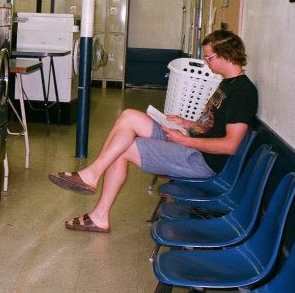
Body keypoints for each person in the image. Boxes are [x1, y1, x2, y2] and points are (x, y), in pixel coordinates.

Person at [48, 29, 258, 233]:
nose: (206, 62)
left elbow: (230, 145)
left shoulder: (242, 92)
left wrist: (185, 141)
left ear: (226, 55)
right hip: (192, 142)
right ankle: (92, 175)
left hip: (201, 160)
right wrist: (185, 124)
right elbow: (210, 126)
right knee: (129, 115)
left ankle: (99, 213)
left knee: (124, 148)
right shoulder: (227, 84)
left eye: (209, 57)